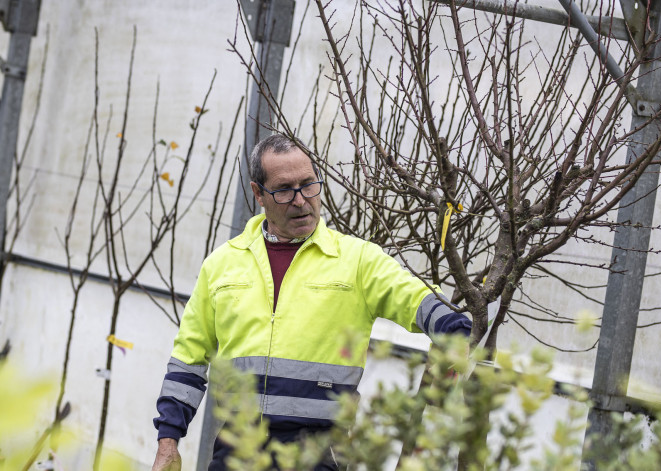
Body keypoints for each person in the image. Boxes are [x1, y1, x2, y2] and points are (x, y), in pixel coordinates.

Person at [152, 134, 472, 470]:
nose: (301, 200)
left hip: (319, 453)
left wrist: (453, 329)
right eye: (285, 189)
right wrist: (168, 441)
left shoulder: (356, 260)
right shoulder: (222, 265)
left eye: (309, 185)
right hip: (236, 450)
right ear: (258, 194)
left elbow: (412, 296)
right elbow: (188, 360)